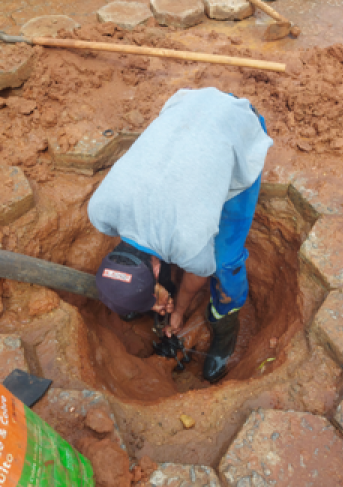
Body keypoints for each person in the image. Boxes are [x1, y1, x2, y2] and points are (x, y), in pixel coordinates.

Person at [88, 87, 272, 383]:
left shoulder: (187, 241)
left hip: (234, 126)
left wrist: (179, 310)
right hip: (186, 105)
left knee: (225, 263)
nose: (157, 308)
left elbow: (196, 278)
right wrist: (157, 290)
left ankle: (225, 325)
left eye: (154, 302)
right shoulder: (100, 209)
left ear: (157, 267)